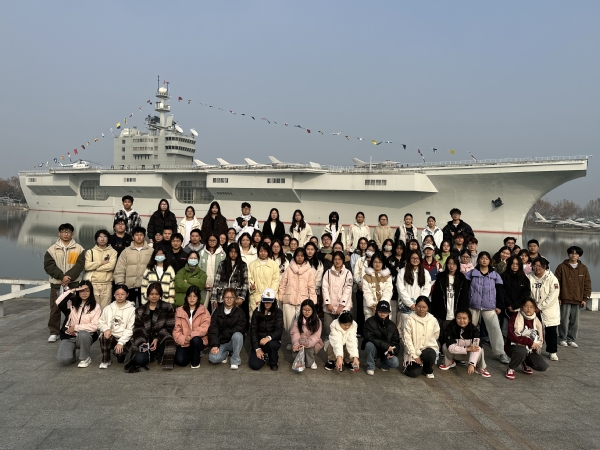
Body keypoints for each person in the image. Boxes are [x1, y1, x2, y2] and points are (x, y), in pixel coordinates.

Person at [465, 251, 510, 364]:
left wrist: (499, 306)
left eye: (486, 258)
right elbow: (465, 291)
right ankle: (465, 350)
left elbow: (500, 292)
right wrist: (465, 305)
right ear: (478, 260)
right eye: (482, 258)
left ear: (490, 261)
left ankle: (500, 352)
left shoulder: (495, 275)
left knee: (495, 329)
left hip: (489, 307)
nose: (484, 260)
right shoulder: (471, 274)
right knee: (468, 329)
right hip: (473, 306)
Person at [44, 223, 86, 342]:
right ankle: (54, 332)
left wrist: (69, 277)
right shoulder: (51, 249)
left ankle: (72, 329)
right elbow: (49, 266)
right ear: (59, 233)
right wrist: (62, 276)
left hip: (73, 285)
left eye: (68, 232)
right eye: (63, 232)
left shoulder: (79, 249)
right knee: (55, 308)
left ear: (72, 234)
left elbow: (80, 265)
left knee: (74, 309)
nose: (66, 234)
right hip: (57, 284)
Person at [125, 282, 176, 372]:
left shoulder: (167, 307)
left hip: (161, 338)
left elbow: (169, 326)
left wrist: (157, 338)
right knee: (139, 360)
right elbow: (138, 328)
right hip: (146, 340)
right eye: (152, 294)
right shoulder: (140, 310)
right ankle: (150, 355)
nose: (154, 296)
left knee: (168, 340)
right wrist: (142, 342)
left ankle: (160, 356)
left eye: (157, 294)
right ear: (148, 295)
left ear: (160, 295)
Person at [55, 281, 101, 367]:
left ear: (91, 292)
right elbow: (58, 302)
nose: (84, 293)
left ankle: (85, 358)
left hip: (85, 336)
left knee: (83, 334)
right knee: (63, 359)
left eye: (87, 291)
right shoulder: (71, 303)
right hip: (69, 335)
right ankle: (72, 355)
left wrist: (76, 327)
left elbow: (95, 326)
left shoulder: (96, 306)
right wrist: (72, 290)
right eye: (81, 291)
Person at [278, 248, 317, 346]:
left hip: (303, 301)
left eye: (302, 255)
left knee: (302, 323)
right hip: (289, 300)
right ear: (294, 256)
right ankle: (290, 342)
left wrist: (313, 301)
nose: (299, 257)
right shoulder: (288, 269)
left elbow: (312, 287)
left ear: (305, 257)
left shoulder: (309, 271)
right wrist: (281, 298)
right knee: (288, 324)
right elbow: (282, 284)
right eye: (298, 255)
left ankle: (301, 342)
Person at [555, 246, 591, 349]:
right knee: (563, 320)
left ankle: (571, 339)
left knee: (575, 322)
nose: (573, 255)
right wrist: (558, 297)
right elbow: (556, 283)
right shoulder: (561, 267)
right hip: (564, 298)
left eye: (576, 253)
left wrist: (585, 298)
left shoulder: (583, 268)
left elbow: (587, 284)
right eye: (571, 253)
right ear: (568, 254)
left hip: (578, 299)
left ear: (579, 256)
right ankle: (562, 338)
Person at [439, 309, 491, 377]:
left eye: (464, 318)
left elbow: (476, 348)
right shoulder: (450, 328)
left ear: (469, 319)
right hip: (456, 354)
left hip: (468, 355)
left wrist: (471, 364)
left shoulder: (474, 330)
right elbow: (451, 348)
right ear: (455, 318)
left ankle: (480, 367)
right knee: (445, 346)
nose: (461, 320)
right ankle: (449, 362)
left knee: (479, 349)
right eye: (459, 318)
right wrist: (467, 349)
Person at [505, 298, 548, 379]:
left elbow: (541, 339)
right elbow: (511, 335)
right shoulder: (515, 317)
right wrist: (528, 341)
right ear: (522, 307)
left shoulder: (537, 321)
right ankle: (511, 368)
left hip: (531, 349)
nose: (529, 308)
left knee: (542, 366)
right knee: (522, 350)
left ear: (535, 309)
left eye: (531, 307)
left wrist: (535, 344)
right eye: (526, 306)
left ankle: (524, 362)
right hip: (514, 346)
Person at [528, 257, 560, 361]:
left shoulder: (551, 278)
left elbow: (553, 296)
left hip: (548, 309)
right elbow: (527, 293)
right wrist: (532, 306)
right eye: (535, 266)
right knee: (533, 330)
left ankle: (552, 351)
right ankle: (534, 349)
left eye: (539, 266)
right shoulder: (529, 277)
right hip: (533, 308)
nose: (537, 268)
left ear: (545, 267)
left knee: (551, 331)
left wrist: (540, 306)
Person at [113, 226, 153, 307]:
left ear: (144, 236)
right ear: (133, 237)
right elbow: (120, 269)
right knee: (128, 309)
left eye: (141, 235)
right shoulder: (126, 251)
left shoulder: (151, 251)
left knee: (145, 309)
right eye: (136, 235)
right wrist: (121, 285)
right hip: (129, 287)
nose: (139, 237)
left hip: (145, 287)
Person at [173, 285, 211, 368]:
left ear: (198, 298)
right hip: (185, 342)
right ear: (186, 297)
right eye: (189, 296)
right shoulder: (179, 311)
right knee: (179, 360)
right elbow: (176, 329)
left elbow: (205, 327)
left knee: (195, 340)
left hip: (198, 340)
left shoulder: (204, 310)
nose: (192, 299)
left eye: (194, 296)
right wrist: (184, 339)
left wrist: (191, 335)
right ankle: (192, 354)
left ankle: (195, 362)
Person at [98, 284, 135, 368]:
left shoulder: (132, 310)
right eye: (117, 294)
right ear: (114, 295)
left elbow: (130, 329)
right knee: (104, 336)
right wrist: (106, 329)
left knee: (120, 357)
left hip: (123, 337)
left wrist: (121, 342)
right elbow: (101, 322)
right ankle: (106, 359)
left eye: (122, 294)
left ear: (127, 294)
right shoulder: (108, 308)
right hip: (111, 336)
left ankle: (122, 355)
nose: (120, 296)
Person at [208, 288, 246, 369]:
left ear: (235, 298)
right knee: (213, 358)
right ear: (223, 298)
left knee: (238, 335)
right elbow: (213, 329)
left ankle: (235, 360)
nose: (229, 300)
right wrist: (215, 345)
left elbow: (241, 328)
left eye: (231, 297)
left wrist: (226, 333)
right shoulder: (217, 311)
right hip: (221, 342)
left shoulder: (240, 312)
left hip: (233, 341)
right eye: (226, 297)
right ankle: (225, 354)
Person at [403, 296, 439, 378]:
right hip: (413, 350)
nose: (421, 309)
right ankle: (418, 364)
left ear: (428, 308)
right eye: (419, 306)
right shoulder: (409, 319)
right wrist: (415, 356)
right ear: (415, 306)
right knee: (414, 373)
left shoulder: (432, 319)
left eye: (424, 307)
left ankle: (427, 369)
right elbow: (407, 339)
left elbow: (436, 334)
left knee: (430, 354)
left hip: (427, 348)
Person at [248, 288, 284, 371]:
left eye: (269, 301)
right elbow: (253, 331)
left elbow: (279, 330)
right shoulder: (256, 312)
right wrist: (257, 348)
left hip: (272, 340)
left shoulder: (278, 312)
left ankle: (273, 361)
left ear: (273, 301)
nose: (267, 304)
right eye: (265, 301)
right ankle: (265, 356)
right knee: (254, 365)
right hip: (259, 341)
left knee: (272, 345)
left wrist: (268, 338)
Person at [430, 256, 469, 330]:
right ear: (446, 264)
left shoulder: (462, 278)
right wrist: (434, 313)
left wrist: (463, 311)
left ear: (457, 265)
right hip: (442, 312)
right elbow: (436, 296)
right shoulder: (440, 277)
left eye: (454, 264)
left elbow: (464, 297)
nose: (451, 266)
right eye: (449, 263)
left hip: (456, 312)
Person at [397, 250, 432, 332]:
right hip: (406, 306)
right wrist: (410, 304)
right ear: (409, 259)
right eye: (413, 258)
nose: (415, 260)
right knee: (406, 329)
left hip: (419, 307)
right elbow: (401, 289)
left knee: (419, 329)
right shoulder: (402, 271)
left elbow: (427, 288)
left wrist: (419, 303)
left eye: (417, 258)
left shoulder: (425, 273)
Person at [321, 251, 354, 338]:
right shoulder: (328, 273)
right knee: (328, 328)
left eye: (339, 259)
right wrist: (328, 303)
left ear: (343, 260)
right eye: (335, 259)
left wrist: (341, 305)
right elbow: (324, 288)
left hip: (343, 307)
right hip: (330, 306)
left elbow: (347, 290)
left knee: (342, 330)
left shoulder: (348, 273)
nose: (337, 261)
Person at [363, 301, 400, 375]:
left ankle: (384, 364)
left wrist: (392, 352)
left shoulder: (392, 325)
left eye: (385, 312)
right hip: (375, 348)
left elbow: (396, 342)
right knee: (369, 344)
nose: (382, 313)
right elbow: (369, 337)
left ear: (388, 313)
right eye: (380, 311)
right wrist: (386, 346)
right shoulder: (369, 322)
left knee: (395, 362)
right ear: (376, 311)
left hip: (386, 350)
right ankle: (370, 366)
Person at [84, 229, 117, 310]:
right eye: (100, 237)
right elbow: (87, 266)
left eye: (105, 237)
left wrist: (95, 268)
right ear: (96, 239)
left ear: (108, 239)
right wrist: (100, 262)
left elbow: (111, 266)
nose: (102, 239)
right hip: (93, 283)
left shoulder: (113, 252)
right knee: (93, 309)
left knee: (105, 309)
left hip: (107, 284)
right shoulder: (90, 252)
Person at [210, 243, 248, 311]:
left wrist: (242, 297)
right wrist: (214, 298)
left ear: (238, 253)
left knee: (235, 316)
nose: (233, 254)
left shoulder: (243, 265)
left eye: (235, 252)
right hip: (222, 295)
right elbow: (216, 282)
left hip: (236, 295)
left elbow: (245, 282)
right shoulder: (222, 264)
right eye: (231, 252)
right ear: (228, 252)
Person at [248, 242, 280, 318]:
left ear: (268, 252)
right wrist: (251, 286)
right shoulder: (252, 265)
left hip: (270, 298)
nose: (263, 253)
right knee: (256, 319)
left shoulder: (274, 265)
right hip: (256, 297)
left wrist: (269, 294)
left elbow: (276, 280)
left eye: (265, 251)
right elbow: (249, 279)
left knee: (271, 319)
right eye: (261, 251)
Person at [500, 255, 530, 335]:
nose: (515, 266)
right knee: (504, 331)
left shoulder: (524, 279)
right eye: (512, 264)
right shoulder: (502, 277)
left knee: (518, 331)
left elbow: (525, 294)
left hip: (519, 309)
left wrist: (515, 305)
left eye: (517, 264)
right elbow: (501, 292)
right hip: (505, 309)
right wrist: (509, 305)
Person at [290, 299, 323, 369]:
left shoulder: (317, 321)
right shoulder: (297, 321)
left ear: (313, 310)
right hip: (300, 341)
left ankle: (311, 361)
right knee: (296, 351)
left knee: (309, 349)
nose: (307, 312)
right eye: (304, 310)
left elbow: (316, 336)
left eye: (309, 310)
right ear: (301, 310)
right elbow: (295, 333)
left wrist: (308, 343)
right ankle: (302, 361)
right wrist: (296, 344)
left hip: (312, 342)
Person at [362, 252, 393, 321]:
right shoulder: (366, 277)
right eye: (375, 262)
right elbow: (366, 292)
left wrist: (381, 306)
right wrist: (372, 305)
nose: (377, 264)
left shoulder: (387, 276)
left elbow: (388, 291)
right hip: (370, 309)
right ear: (372, 263)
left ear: (383, 263)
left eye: (380, 262)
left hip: (384, 309)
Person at [199, 234, 226, 307]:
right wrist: (202, 283)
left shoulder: (222, 254)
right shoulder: (202, 253)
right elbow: (199, 269)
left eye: (214, 240)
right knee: (202, 308)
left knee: (215, 309)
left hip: (216, 287)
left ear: (217, 241)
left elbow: (224, 272)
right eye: (210, 240)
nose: (212, 242)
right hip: (204, 286)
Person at [387, 240, 406, 326]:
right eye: (397, 248)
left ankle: (400, 331)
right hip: (392, 288)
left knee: (402, 314)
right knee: (392, 312)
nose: (399, 250)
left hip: (404, 288)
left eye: (401, 248)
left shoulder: (406, 261)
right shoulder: (389, 260)